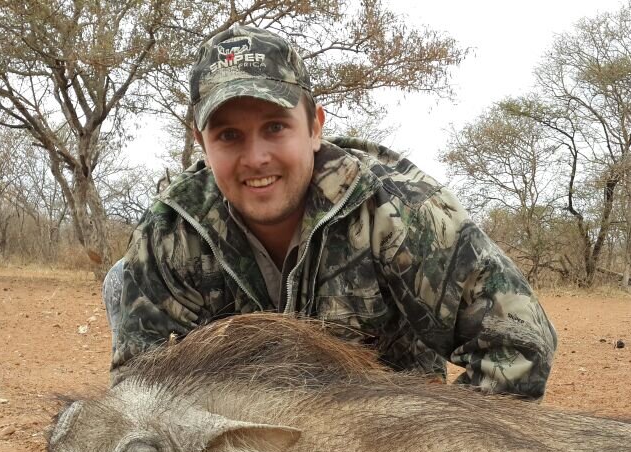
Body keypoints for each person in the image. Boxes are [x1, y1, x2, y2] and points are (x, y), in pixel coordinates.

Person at [106, 24, 558, 399]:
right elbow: (140, 398)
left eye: (275, 127)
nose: (256, 157)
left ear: (316, 127)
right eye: (229, 136)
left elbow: (521, 343)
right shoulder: (171, 228)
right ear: (201, 142)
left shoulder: (400, 210)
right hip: (242, 449)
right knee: (121, 278)